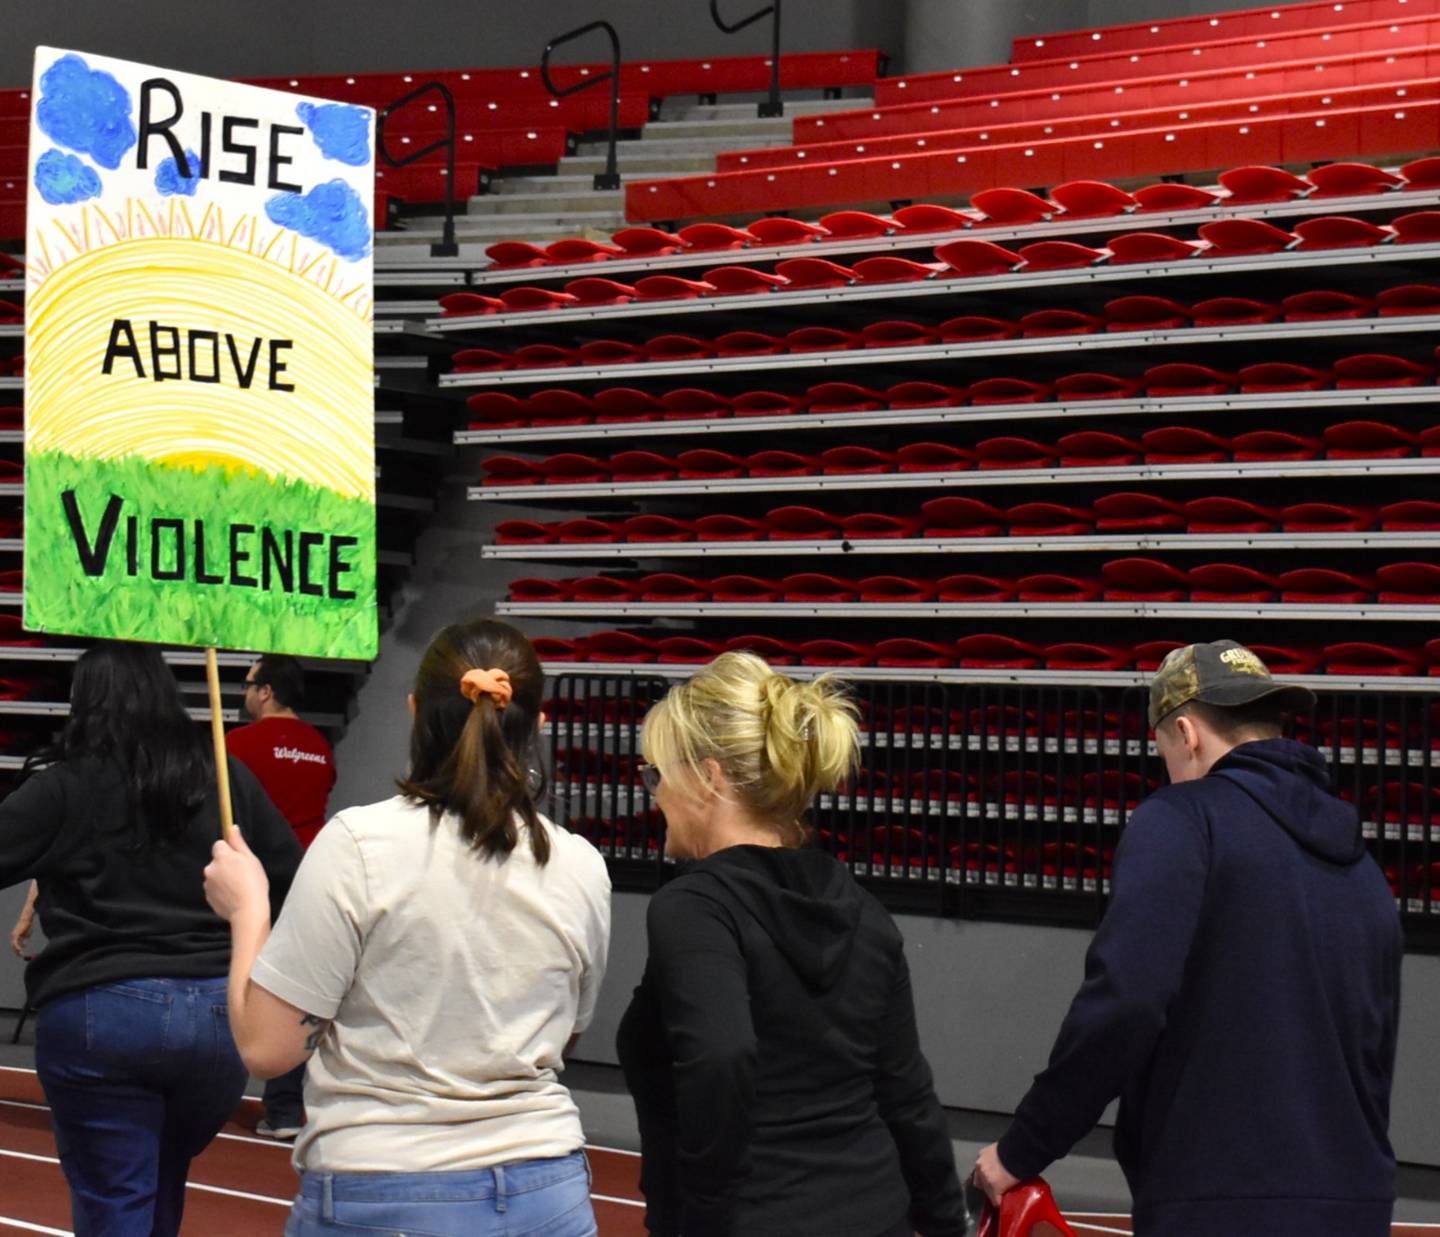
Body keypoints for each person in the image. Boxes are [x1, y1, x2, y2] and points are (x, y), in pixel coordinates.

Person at [973, 639, 1402, 1237]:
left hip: (1216, 1201)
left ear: (1187, 732)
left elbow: (1125, 1003)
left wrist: (1023, 1147)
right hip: (1356, 1203)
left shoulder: (1182, 820)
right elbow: (1375, 1046)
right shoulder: (1362, 866)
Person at [204, 617, 611, 1237]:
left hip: (384, 1186)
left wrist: (250, 910)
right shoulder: (581, 864)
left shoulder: (359, 846)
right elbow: (565, 1035)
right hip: (546, 1191)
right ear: (540, 723)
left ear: (415, 710)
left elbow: (268, 1047)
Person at [616, 651, 968, 1237]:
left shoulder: (696, 907)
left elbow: (721, 1057)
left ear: (708, 777)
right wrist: (945, 1227)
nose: (653, 795)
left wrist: (701, 1221)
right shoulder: (864, 911)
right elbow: (907, 1096)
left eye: (656, 773)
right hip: (878, 1215)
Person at [0, 641, 302, 1237]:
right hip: (220, 1017)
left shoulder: (66, 785)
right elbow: (293, 876)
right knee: (162, 1187)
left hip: (102, 1008)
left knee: (116, 1199)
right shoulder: (223, 774)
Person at [226, 653, 336, 1140]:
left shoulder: (237, 744)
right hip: (308, 875)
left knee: (228, 978)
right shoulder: (321, 747)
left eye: (249, 684)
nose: (244, 693)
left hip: (249, 875)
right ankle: (287, 1110)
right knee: (296, 991)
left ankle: (205, 1092)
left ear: (267, 691)